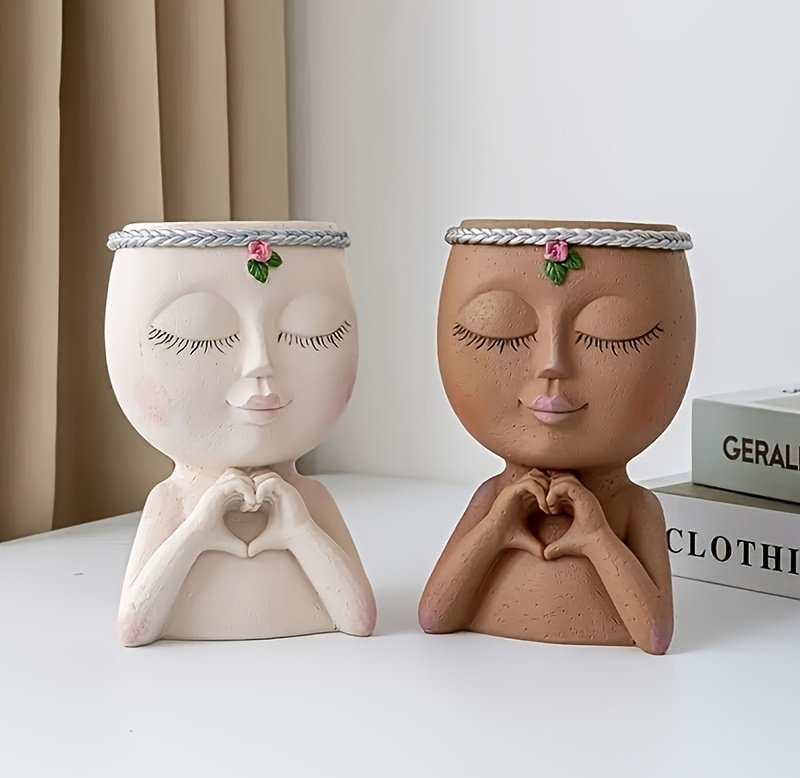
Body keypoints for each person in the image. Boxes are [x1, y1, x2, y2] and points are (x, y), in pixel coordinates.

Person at [419, 220, 695, 654]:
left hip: (614, 686)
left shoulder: (634, 507)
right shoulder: (495, 498)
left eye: (612, 334)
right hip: (486, 672)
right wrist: (496, 528)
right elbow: (435, 616)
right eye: (500, 333)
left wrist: (597, 536)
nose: (552, 364)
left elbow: (654, 636)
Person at [106, 222, 376, 646]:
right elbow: (133, 629)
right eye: (197, 336)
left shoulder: (308, 499)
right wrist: (197, 530)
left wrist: (300, 532)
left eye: (312, 333)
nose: (260, 364)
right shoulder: (172, 501)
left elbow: (358, 619)